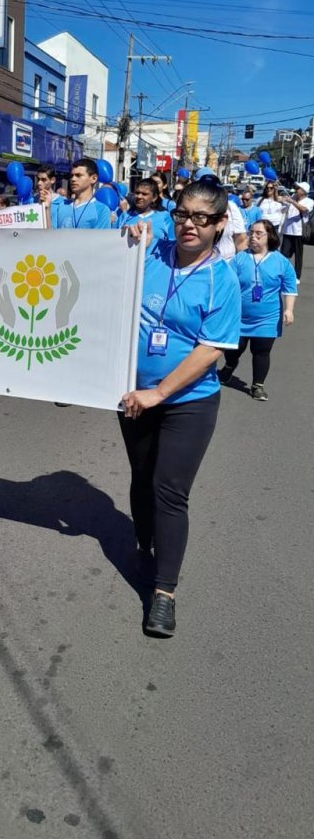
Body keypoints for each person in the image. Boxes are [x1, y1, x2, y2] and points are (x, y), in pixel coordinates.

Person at [119, 177, 241, 637]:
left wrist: (159, 392)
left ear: (219, 224)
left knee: (170, 489)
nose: (190, 224)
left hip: (189, 401)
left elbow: (211, 350)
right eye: (183, 214)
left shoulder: (221, 280)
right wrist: (126, 238)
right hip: (132, 394)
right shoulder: (152, 252)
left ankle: (164, 593)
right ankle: (144, 538)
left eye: (202, 218)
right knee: (141, 475)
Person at [219, 219, 297, 401]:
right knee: (233, 349)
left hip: (268, 318)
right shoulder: (239, 258)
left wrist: (289, 310)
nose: (252, 237)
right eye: (251, 232)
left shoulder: (281, 262)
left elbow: (289, 287)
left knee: (261, 351)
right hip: (239, 317)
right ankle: (229, 367)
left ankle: (257, 386)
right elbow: (227, 283)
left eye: (258, 233)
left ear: (269, 236)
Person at [54, 158, 111, 229]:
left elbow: (101, 239)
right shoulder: (62, 205)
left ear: (94, 178)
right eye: (71, 176)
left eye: (78, 175)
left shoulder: (101, 210)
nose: (73, 179)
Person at [279, 181, 313, 283]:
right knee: (284, 254)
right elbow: (278, 200)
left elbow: (303, 209)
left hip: (299, 232)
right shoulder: (292, 198)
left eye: (298, 188)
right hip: (287, 231)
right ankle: (283, 273)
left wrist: (292, 202)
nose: (296, 190)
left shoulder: (309, 201)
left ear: (303, 191)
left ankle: (297, 276)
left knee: (298, 255)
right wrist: (276, 192)